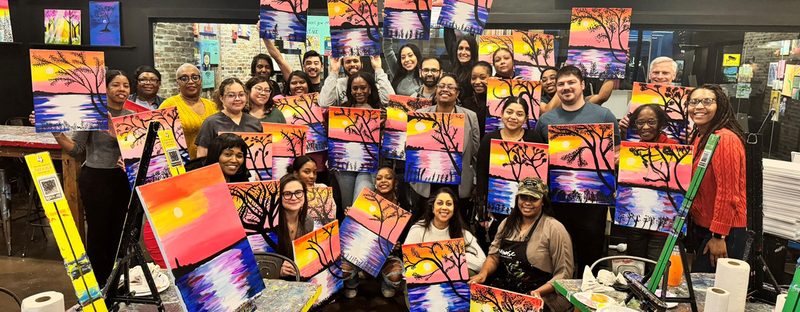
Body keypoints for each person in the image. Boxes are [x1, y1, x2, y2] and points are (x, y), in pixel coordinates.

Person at [29, 70, 134, 286]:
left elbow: (138, 150)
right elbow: (75, 149)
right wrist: (56, 132)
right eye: (115, 84)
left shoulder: (132, 115)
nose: (121, 89)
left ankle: (118, 282)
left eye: (125, 85)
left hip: (124, 180)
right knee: (98, 233)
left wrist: (120, 137)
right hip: (97, 180)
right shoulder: (93, 114)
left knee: (120, 233)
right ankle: (99, 285)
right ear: (104, 89)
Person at [533, 65, 620, 274]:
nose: (565, 87)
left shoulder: (604, 115)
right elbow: (539, 159)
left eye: (571, 82)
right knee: (557, 254)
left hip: (593, 203)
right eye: (561, 84)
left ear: (582, 85)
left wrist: (615, 164)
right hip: (557, 201)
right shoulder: (546, 120)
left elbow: (617, 152)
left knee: (590, 257)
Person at [469, 177, 573, 312]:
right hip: (508, 291)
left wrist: (538, 293)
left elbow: (564, 274)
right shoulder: (507, 223)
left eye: (533, 199)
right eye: (523, 198)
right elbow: (494, 256)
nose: (527, 203)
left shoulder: (555, 229)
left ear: (543, 201)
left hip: (543, 297)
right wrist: (483, 274)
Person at [685, 84, 747, 272]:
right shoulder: (700, 136)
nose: (699, 107)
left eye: (707, 101)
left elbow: (728, 193)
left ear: (720, 105)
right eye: (693, 102)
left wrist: (719, 236)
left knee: (707, 293)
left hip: (724, 232)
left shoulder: (725, 139)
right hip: (704, 227)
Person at [475, 96, 545, 250]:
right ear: (502, 113)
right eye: (509, 112)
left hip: (528, 206)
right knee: (498, 244)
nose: (513, 117)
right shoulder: (489, 139)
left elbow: (541, 176)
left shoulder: (534, 138)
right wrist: (483, 208)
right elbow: (481, 175)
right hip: (498, 206)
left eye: (519, 114)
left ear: (526, 118)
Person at [410, 74, 480, 223]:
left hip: (459, 185)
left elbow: (475, 152)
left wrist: (475, 182)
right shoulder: (421, 115)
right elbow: (412, 151)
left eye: (450, 87)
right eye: (441, 86)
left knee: (457, 226)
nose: (445, 90)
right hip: (427, 184)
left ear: (457, 93)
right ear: (436, 90)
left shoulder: (470, 117)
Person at [342, 166, 410, 298]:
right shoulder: (364, 203)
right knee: (343, 270)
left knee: (395, 276)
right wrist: (350, 218)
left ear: (395, 183)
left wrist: (397, 245)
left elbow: (403, 239)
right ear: (375, 183)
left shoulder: (402, 208)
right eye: (379, 178)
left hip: (386, 255)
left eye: (388, 178)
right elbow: (351, 236)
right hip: (359, 252)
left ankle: (386, 284)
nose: (383, 181)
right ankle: (352, 284)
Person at [332, 71, 392, 206]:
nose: (359, 92)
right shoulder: (342, 111)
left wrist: (382, 127)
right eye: (355, 88)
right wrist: (332, 156)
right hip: (344, 166)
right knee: (346, 207)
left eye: (363, 88)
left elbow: (387, 144)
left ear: (370, 89)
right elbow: (336, 139)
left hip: (368, 165)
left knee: (359, 207)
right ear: (350, 90)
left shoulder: (380, 111)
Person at [405, 188, 486, 274]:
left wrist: (453, 257)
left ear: (454, 209)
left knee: (470, 273)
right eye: (440, 203)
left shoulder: (462, 232)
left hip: (451, 282)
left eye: (449, 204)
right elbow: (408, 265)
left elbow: (482, 263)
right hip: (424, 281)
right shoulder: (418, 230)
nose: (444, 207)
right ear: (432, 208)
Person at [159, 63, 219, 160]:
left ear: (201, 81)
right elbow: (161, 141)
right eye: (184, 78)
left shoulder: (213, 106)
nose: (190, 81)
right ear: (178, 83)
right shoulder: (168, 106)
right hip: (183, 165)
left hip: (211, 165)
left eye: (195, 77)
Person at [195, 78, 263, 158]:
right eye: (231, 95)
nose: (237, 99)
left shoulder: (255, 123)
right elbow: (202, 156)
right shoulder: (211, 123)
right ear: (222, 99)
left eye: (241, 95)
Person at [618, 56, 679, 135]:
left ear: (674, 75)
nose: (660, 77)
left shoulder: (683, 102)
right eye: (656, 72)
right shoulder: (636, 100)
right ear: (650, 75)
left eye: (665, 73)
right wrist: (624, 130)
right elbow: (626, 134)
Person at [274, 174, 316, 278]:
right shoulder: (271, 225)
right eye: (287, 194)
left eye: (298, 192)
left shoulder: (308, 221)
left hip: (298, 279)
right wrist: (277, 270)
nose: (294, 198)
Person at [320, 56, 393, 107]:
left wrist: (378, 69)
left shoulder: (370, 83)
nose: (352, 64)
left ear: (362, 64)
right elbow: (324, 104)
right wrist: (334, 71)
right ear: (343, 66)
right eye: (348, 62)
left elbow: (391, 101)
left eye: (355, 61)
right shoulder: (337, 84)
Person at [444, 31, 478, 102]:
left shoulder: (477, 71)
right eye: (460, 48)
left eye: (468, 49)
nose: (463, 52)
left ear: (473, 52)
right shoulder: (456, 64)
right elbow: (449, 38)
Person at [461, 61, 492, 135]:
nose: (477, 82)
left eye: (483, 77)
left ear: (491, 77)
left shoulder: (496, 102)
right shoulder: (467, 102)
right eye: (473, 78)